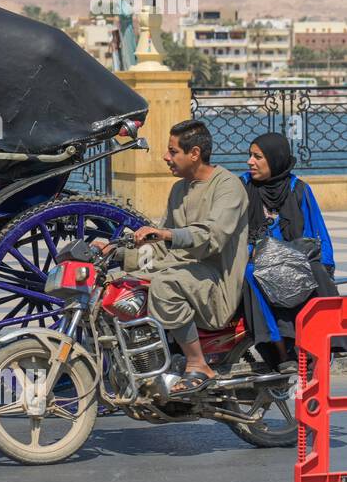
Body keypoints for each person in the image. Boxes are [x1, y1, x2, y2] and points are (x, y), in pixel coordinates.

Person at [95, 120, 249, 394]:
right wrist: (116, 252)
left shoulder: (228, 186)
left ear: (195, 153)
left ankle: (197, 363)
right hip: (181, 270)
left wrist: (167, 234)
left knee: (166, 285)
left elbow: (211, 237)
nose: (166, 157)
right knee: (118, 283)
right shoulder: (179, 189)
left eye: (172, 151)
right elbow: (160, 248)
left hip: (216, 282)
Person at [240, 132, 336, 357]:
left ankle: (311, 345)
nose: (249, 162)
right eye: (250, 155)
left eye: (257, 157)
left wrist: (326, 266)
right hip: (255, 260)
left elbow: (318, 231)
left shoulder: (298, 188)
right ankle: (279, 348)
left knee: (315, 272)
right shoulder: (243, 186)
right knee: (251, 272)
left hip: (294, 259)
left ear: (275, 159)